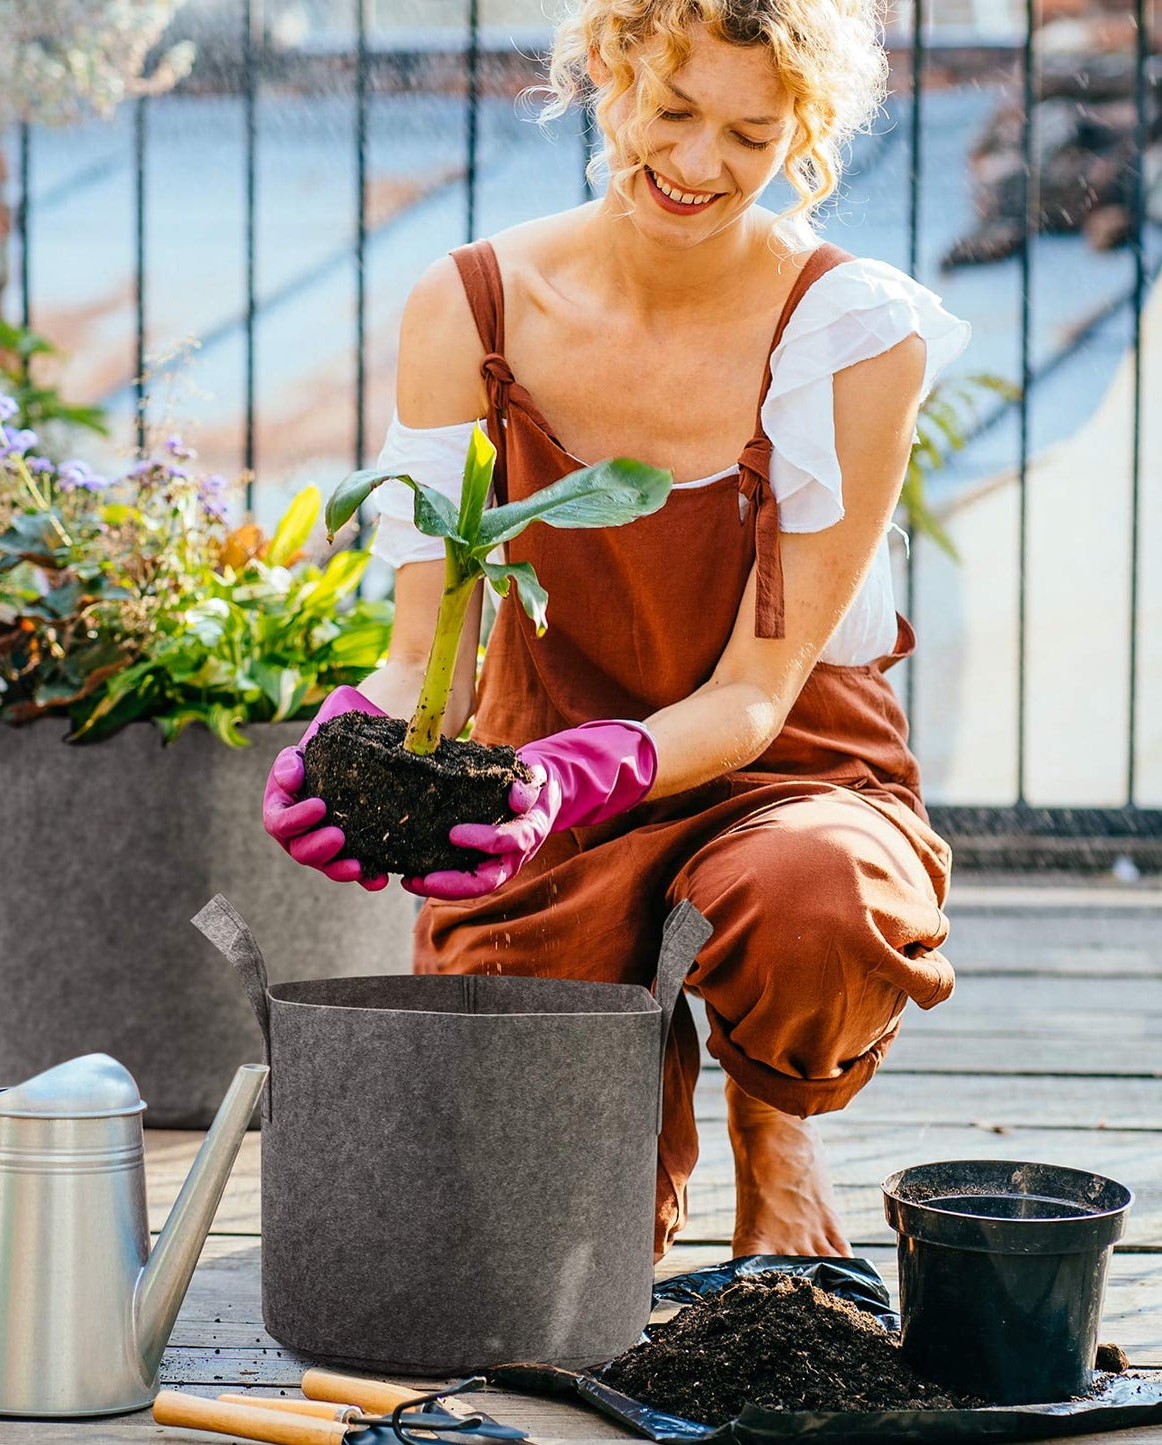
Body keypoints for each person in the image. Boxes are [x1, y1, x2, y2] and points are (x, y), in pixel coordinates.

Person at [264, 0, 969, 1262]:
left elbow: (758, 690)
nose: (701, 166)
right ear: (608, 71)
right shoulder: (473, 304)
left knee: (810, 900)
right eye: (674, 112)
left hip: (786, 772)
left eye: (752, 135)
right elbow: (425, 644)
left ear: (801, 132)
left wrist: (591, 766)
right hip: (537, 787)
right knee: (547, 1249)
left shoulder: (850, 332)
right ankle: (634, 1131)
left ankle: (771, 1122)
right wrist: (355, 738)